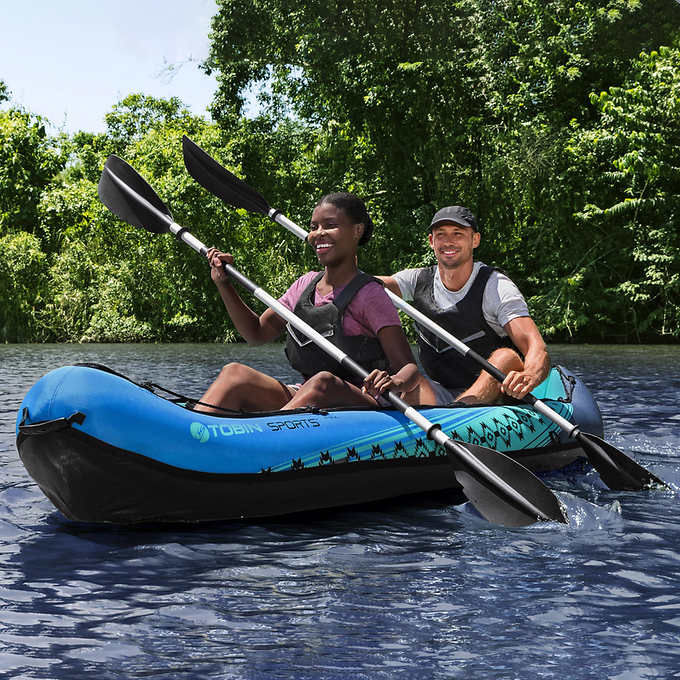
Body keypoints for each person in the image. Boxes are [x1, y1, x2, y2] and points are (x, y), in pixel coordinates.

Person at [193, 192, 421, 413]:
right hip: (308, 397)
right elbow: (256, 333)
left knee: (323, 382)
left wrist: (395, 381)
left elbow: (409, 368)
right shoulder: (304, 285)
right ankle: (195, 429)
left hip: (364, 405)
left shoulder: (370, 294)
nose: (318, 233)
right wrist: (224, 284)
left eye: (330, 225)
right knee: (234, 374)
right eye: (314, 227)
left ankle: (269, 432)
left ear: (357, 230)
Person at [379, 205, 550, 405]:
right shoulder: (416, 279)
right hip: (444, 391)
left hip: (497, 393)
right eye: (441, 235)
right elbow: (372, 286)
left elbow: (535, 345)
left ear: (475, 239)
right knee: (410, 384)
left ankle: (459, 411)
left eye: (458, 233)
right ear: (431, 241)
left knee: (505, 357)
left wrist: (530, 375)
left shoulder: (496, 287)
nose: (448, 241)